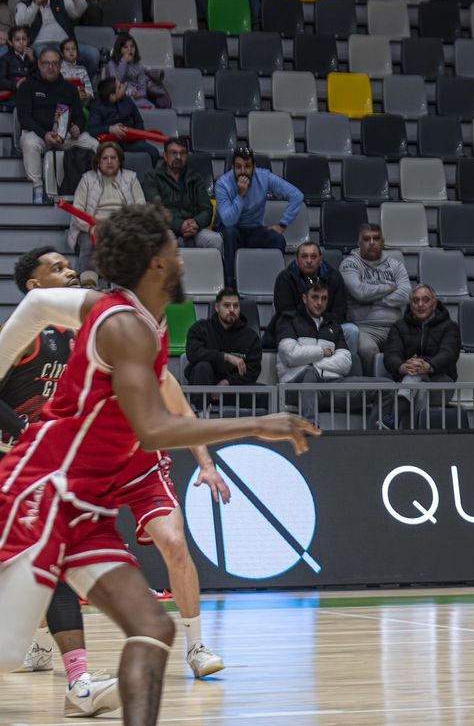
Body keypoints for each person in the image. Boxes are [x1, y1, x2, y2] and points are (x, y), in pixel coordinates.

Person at [0, 203, 316, 726]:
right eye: (175, 251)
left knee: (154, 628)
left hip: (90, 502)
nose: (183, 260)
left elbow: (35, 307)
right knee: (10, 651)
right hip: (47, 486)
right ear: (155, 264)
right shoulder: (125, 327)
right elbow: (152, 430)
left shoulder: (131, 314)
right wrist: (258, 423)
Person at [0, 249, 119, 715]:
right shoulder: (22, 333)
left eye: (70, 266)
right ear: (33, 287)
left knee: (55, 565)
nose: (71, 272)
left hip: (35, 474)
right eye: (57, 268)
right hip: (8, 461)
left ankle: (78, 682)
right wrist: (23, 432)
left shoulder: (78, 336)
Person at [15, 45, 98, 203]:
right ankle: (37, 192)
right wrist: (44, 134)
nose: (50, 67)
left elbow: (80, 116)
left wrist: (78, 127)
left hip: (65, 136)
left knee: (94, 144)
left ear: (60, 65)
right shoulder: (27, 86)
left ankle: (98, 189)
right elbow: (24, 118)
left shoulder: (70, 88)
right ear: (39, 64)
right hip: (39, 135)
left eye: (55, 63)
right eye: (46, 63)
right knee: (29, 142)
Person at [214, 147, 303, 286]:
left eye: (247, 166)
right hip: (229, 229)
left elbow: (297, 195)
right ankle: (230, 286)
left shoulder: (264, 177)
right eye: (238, 167)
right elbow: (228, 221)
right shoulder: (222, 184)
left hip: (254, 230)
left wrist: (282, 224)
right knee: (230, 234)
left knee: (278, 239)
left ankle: (272, 284)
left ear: (254, 167)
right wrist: (240, 195)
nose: (243, 171)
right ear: (233, 168)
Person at [382, 285, 462, 428]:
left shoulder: (450, 326)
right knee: (418, 386)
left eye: (425, 300)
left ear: (434, 303)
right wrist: (402, 367)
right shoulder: (398, 327)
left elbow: (449, 354)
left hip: (441, 385)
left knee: (415, 377)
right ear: (410, 304)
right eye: (416, 300)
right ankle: (418, 433)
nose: (420, 304)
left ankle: (395, 418)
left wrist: (428, 366)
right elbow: (391, 355)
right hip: (406, 382)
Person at [340, 224, 412, 377]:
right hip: (364, 327)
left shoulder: (395, 265)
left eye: (376, 238)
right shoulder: (350, 264)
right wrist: (388, 288)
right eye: (367, 239)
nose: (372, 242)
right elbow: (359, 292)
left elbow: (406, 294)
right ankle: (371, 388)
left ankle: (401, 388)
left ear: (383, 242)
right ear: (359, 243)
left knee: (414, 346)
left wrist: (371, 299)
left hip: (395, 326)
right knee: (368, 350)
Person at [70, 141, 145, 269]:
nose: (109, 162)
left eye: (113, 158)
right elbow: (77, 210)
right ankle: (88, 279)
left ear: (119, 161)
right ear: (98, 161)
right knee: (88, 242)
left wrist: (126, 226)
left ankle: (124, 280)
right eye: (105, 158)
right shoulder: (87, 179)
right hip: (91, 227)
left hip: (123, 226)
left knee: (131, 242)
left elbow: (141, 207)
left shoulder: (131, 178)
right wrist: (91, 228)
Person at [141, 138, 222, 251]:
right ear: (165, 156)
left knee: (215, 240)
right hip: (166, 229)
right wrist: (180, 225)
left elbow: (207, 208)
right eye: (174, 153)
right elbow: (156, 210)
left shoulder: (195, 177)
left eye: (182, 153)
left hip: (193, 228)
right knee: (164, 241)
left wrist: (196, 223)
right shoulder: (152, 177)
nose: (178, 157)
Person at [14, 0, 99, 76]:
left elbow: (80, 10)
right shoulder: (23, 4)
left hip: (66, 45)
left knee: (93, 54)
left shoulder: (60, 0)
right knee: (46, 55)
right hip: (39, 45)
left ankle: (83, 83)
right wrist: (36, 4)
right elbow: (21, 22)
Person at [275, 279, 354, 389]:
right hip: (295, 384)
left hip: (331, 383)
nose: (319, 303)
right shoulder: (288, 320)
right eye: (315, 297)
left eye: (324, 298)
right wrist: (322, 352)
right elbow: (290, 356)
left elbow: (345, 363)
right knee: (310, 373)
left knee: (375, 385)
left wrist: (311, 362)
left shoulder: (333, 324)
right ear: (305, 298)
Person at [184, 287, 262, 390]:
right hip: (205, 387)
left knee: (264, 393)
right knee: (202, 367)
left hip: (235, 389)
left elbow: (253, 371)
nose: (232, 310)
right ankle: (202, 401)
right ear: (217, 307)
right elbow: (193, 353)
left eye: (236, 306)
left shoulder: (251, 337)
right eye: (226, 305)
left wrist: (227, 382)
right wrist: (225, 357)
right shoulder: (200, 328)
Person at [87, 78, 162, 164]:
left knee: (154, 152)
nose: (123, 86)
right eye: (120, 87)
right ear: (112, 96)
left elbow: (138, 121)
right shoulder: (97, 106)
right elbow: (93, 129)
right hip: (110, 143)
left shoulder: (128, 100)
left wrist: (140, 140)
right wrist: (110, 129)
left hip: (132, 141)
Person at [102, 34, 170, 110]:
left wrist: (138, 94)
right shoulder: (112, 64)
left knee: (151, 107)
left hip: (135, 98)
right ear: (119, 49)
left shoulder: (138, 65)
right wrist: (124, 61)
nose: (130, 49)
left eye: (132, 46)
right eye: (125, 47)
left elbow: (143, 89)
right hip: (119, 98)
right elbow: (116, 81)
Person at [0, 23, 35, 95]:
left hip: (31, 90)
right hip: (14, 93)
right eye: (17, 39)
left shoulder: (32, 55)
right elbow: (1, 80)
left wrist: (32, 60)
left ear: (28, 41)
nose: (21, 42)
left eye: (24, 39)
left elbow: (38, 74)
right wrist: (16, 85)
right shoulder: (5, 59)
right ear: (10, 42)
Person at [58, 38, 90, 103]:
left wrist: (85, 95)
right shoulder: (58, 69)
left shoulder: (82, 70)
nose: (71, 51)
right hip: (62, 102)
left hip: (79, 102)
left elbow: (89, 90)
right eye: (67, 49)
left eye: (73, 49)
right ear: (62, 54)